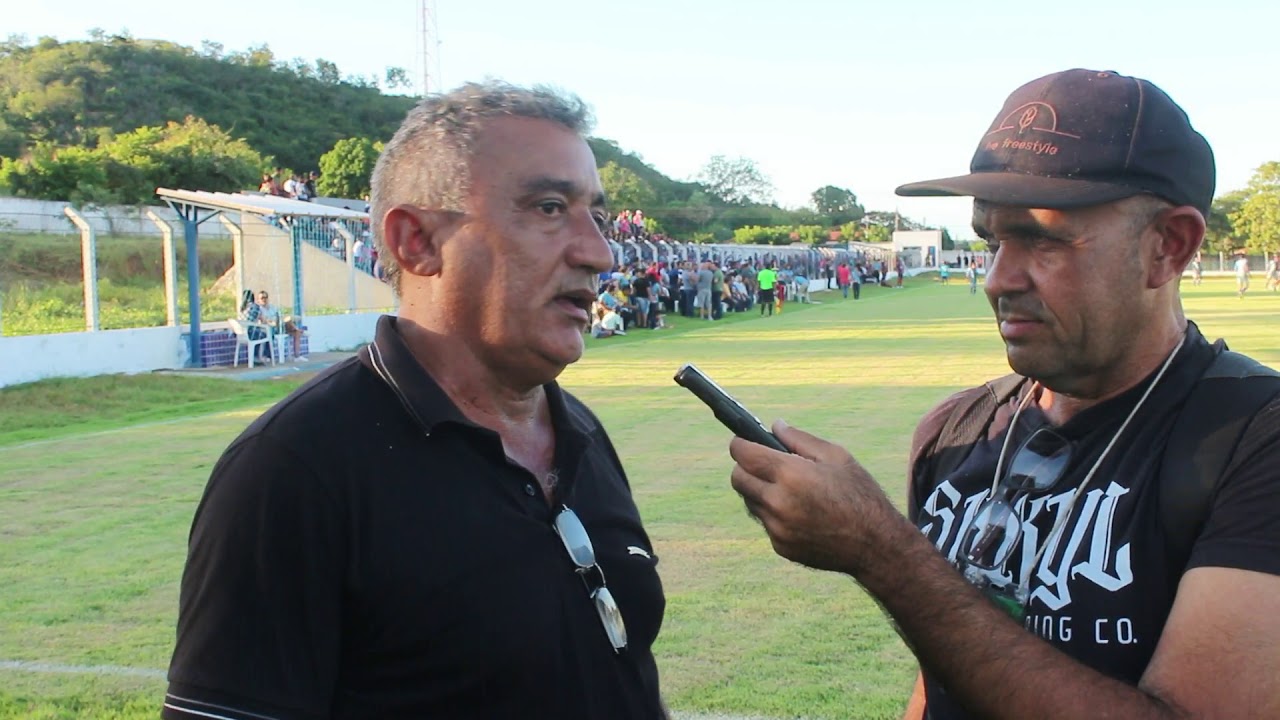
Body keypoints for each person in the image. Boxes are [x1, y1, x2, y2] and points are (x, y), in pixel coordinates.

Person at [726, 69, 1280, 720]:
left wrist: (883, 553)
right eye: (991, 240)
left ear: (1168, 247)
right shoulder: (954, 431)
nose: (996, 279)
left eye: (1042, 239)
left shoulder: (1254, 441)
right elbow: (946, 672)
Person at [163, 81, 668, 719]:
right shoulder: (295, 469)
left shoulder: (581, 434)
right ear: (417, 242)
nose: (600, 253)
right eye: (548, 208)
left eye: (596, 215)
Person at [253, 290, 308, 362]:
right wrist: (272, 322)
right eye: (262, 298)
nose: (264, 299)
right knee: (291, 325)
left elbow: (279, 316)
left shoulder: (272, 307)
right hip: (269, 329)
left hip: (279, 326)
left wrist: (278, 320)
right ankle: (298, 330)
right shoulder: (259, 309)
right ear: (258, 300)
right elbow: (264, 321)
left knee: (295, 330)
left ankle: (297, 356)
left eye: (265, 297)